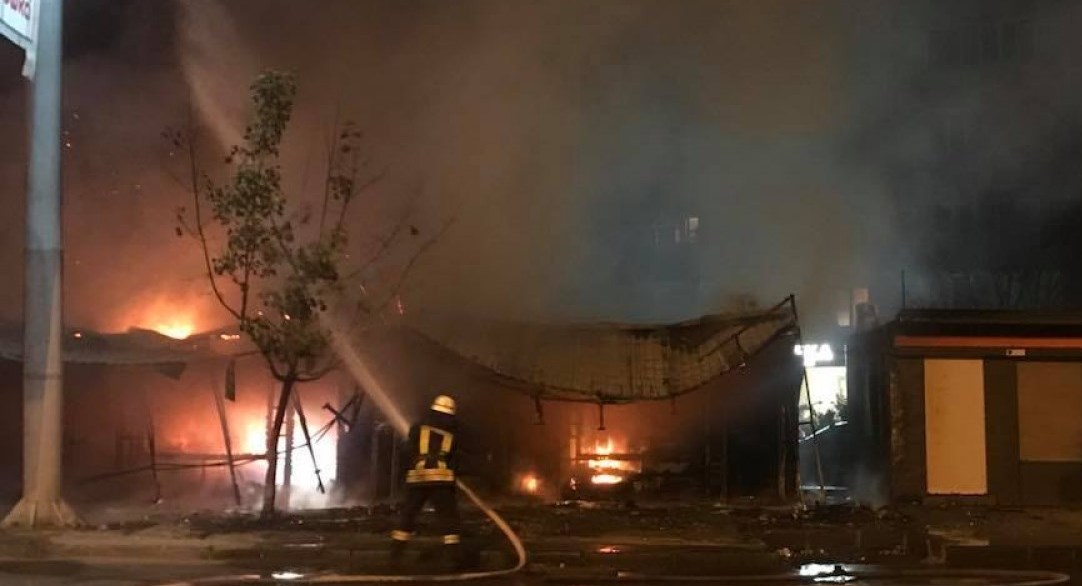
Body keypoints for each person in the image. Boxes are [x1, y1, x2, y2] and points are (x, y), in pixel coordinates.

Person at [389, 394, 463, 568]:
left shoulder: (417, 427)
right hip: (442, 481)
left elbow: (408, 450)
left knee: (408, 516)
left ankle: (394, 557)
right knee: (448, 519)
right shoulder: (452, 434)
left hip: (418, 479)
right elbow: (455, 459)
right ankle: (454, 559)